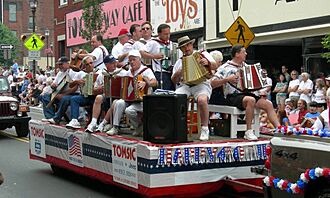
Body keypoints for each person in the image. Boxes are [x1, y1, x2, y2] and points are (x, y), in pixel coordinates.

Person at [218, 44, 280, 140]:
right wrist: (227, 79)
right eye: (244, 52)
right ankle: (248, 131)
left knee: (268, 104)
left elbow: (254, 83)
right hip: (232, 96)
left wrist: (261, 77)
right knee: (250, 100)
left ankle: (279, 129)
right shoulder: (224, 68)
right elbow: (212, 83)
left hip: (247, 94)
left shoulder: (247, 66)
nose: (246, 54)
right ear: (237, 54)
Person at [171, 36, 217, 141]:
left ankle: (205, 128)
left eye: (188, 45)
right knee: (176, 98)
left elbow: (215, 66)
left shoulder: (202, 54)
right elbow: (173, 80)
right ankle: (179, 127)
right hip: (186, 85)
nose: (186, 48)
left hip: (202, 84)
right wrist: (178, 73)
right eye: (183, 47)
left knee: (202, 100)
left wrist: (207, 62)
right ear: (181, 49)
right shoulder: (179, 62)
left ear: (192, 45)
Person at [106, 50, 157, 136]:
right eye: (130, 60)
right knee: (119, 102)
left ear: (139, 60)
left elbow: (155, 82)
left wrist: (146, 82)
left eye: (134, 60)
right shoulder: (128, 72)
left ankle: (139, 126)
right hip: (130, 100)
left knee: (129, 110)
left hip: (143, 101)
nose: (132, 62)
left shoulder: (146, 70)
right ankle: (115, 127)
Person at [85, 55, 126, 133]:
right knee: (98, 97)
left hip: (119, 96)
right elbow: (95, 89)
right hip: (106, 95)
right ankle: (93, 123)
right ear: (107, 65)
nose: (115, 64)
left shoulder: (122, 72)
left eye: (115, 62)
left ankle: (103, 123)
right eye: (112, 63)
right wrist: (101, 88)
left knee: (114, 102)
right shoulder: (102, 74)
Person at [41, 57, 83, 123]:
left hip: (73, 93)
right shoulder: (59, 73)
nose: (60, 66)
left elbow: (75, 88)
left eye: (61, 64)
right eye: (59, 64)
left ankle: (57, 118)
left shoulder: (73, 72)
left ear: (67, 64)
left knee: (64, 99)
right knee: (45, 96)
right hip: (60, 93)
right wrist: (53, 85)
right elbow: (54, 83)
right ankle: (50, 117)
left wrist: (62, 95)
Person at [66, 56, 104, 129]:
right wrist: (77, 81)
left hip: (95, 97)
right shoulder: (81, 73)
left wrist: (97, 88)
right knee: (74, 99)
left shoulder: (99, 72)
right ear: (84, 65)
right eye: (87, 64)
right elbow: (70, 85)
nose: (90, 65)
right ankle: (74, 120)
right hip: (85, 96)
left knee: (98, 100)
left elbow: (103, 86)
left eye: (91, 63)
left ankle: (95, 122)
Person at [140, 24, 176, 90]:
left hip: (171, 72)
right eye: (165, 34)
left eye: (169, 34)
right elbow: (141, 53)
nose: (168, 36)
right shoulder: (153, 42)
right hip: (160, 73)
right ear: (159, 34)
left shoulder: (171, 44)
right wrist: (154, 56)